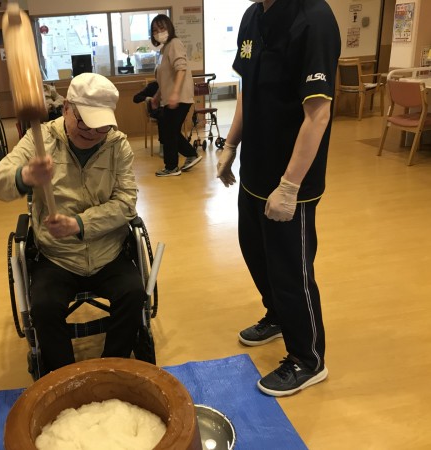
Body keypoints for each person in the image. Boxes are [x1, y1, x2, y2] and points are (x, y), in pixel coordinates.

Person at [217, 0, 340, 396]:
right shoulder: (253, 16)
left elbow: (318, 113)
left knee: (290, 271)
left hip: (292, 179)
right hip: (255, 168)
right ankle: (278, 316)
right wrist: (230, 145)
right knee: (255, 252)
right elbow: (246, 89)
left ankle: (308, 358)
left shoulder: (314, 20)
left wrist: (289, 186)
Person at [0, 73, 145, 372]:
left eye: (102, 125)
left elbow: (126, 203)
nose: (94, 132)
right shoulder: (40, 140)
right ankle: (64, 376)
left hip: (107, 250)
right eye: (85, 122)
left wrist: (79, 224)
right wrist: (24, 176)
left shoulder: (117, 145)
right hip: (57, 256)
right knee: (44, 307)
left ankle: (112, 369)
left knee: (133, 294)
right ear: (67, 108)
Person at [150, 14, 201, 177]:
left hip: (179, 98)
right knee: (169, 130)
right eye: (155, 30)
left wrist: (175, 93)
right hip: (171, 98)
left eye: (162, 28)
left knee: (169, 131)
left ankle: (172, 166)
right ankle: (191, 154)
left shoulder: (174, 43)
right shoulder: (164, 49)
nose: (158, 32)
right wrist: (157, 96)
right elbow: (164, 79)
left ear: (169, 28)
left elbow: (181, 69)